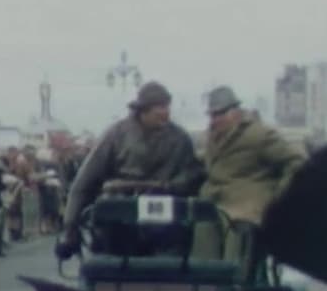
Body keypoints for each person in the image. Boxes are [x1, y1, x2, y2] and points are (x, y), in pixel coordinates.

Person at [57, 81, 205, 257]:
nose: (165, 112)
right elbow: (84, 183)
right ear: (143, 111)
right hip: (119, 218)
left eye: (166, 106)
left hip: (165, 219)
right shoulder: (116, 134)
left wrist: (167, 186)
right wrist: (69, 229)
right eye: (159, 107)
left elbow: (192, 176)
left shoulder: (180, 139)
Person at [191, 85, 307, 263]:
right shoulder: (212, 137)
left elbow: (296, 162)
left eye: (219, 114)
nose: (214, 120)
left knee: (236, 266)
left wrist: (278, 196)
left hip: (244, 210)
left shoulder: (259, 134)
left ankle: (237, 288)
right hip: (212, 205)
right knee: (202, 265)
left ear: (234, 112)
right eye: (212, 115)